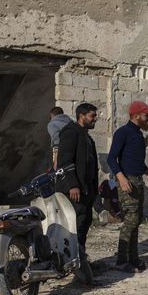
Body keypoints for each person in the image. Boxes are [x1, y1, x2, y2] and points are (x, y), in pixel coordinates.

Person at [107, 100, 148, 272]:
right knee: (130, 221)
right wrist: (121, 179)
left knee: (136, 221)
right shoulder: (123, 133)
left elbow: (135, 160)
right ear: (136, 116)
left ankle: (134, 258)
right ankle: (122, 261)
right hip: (127, 182)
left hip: (137, 180)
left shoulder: (137, 134)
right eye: (146, 115)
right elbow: (111, 158)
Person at [56, 103, 99, 263]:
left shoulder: (86, 136)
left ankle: (79, 260)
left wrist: (95, 191)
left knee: (83, 225)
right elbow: (65, 161)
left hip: (86, 191)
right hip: (74, 191)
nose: (95, 119)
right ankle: (72, 262)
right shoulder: (70, 133)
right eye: (92, 116)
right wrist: (72, 184)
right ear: (82, 116)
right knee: (74, 227)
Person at [48, 106, 72, 170]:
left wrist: (56, 160)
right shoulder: (71, 122)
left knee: (57, 170)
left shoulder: (52, 124)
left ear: (52, 115)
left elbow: (56, 140)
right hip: (72, 150)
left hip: (60, 151)